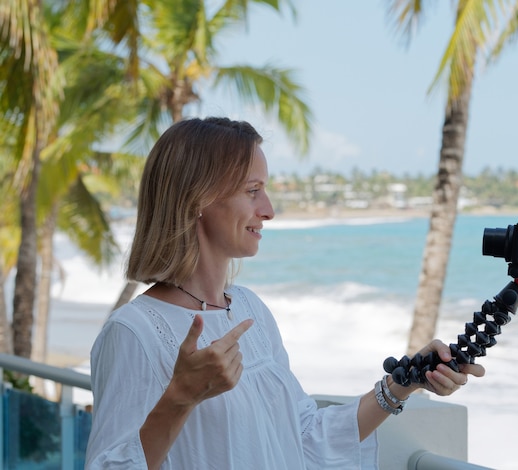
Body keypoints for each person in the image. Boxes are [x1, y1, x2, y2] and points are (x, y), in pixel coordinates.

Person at [85, 117, 485, 469]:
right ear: (199, 198)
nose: (269, 209)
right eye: (253, 190)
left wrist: (404, 380)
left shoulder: (248, 310)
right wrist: (180, 397)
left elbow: (305, 436)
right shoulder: (134, 332)